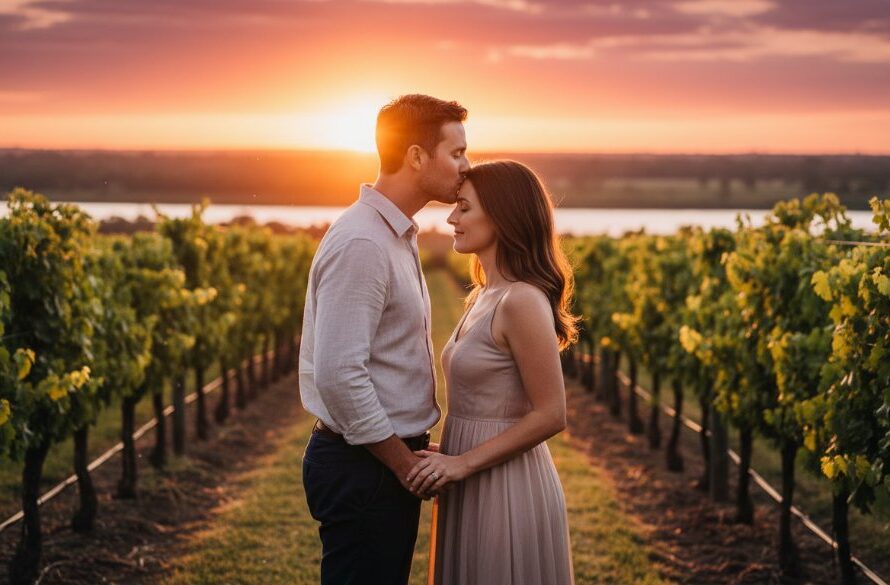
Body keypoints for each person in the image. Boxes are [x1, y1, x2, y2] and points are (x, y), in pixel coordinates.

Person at [299, 94, 469, 584]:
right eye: (456, 153)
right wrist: (402, 464)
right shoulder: (364, 242)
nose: (466, 165)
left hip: (374, 460)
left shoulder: (390, 233)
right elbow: (339, 375)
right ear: (416, 156)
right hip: (366, 467)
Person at [407, 160, 577, 585]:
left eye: (464, 208)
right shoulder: (484, 294)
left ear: (502, 216)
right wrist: (451, 452)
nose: (451, 218)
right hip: (469, 472)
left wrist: (463, 462)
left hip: (506, 484)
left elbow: (551, 413)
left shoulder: (521, 300)